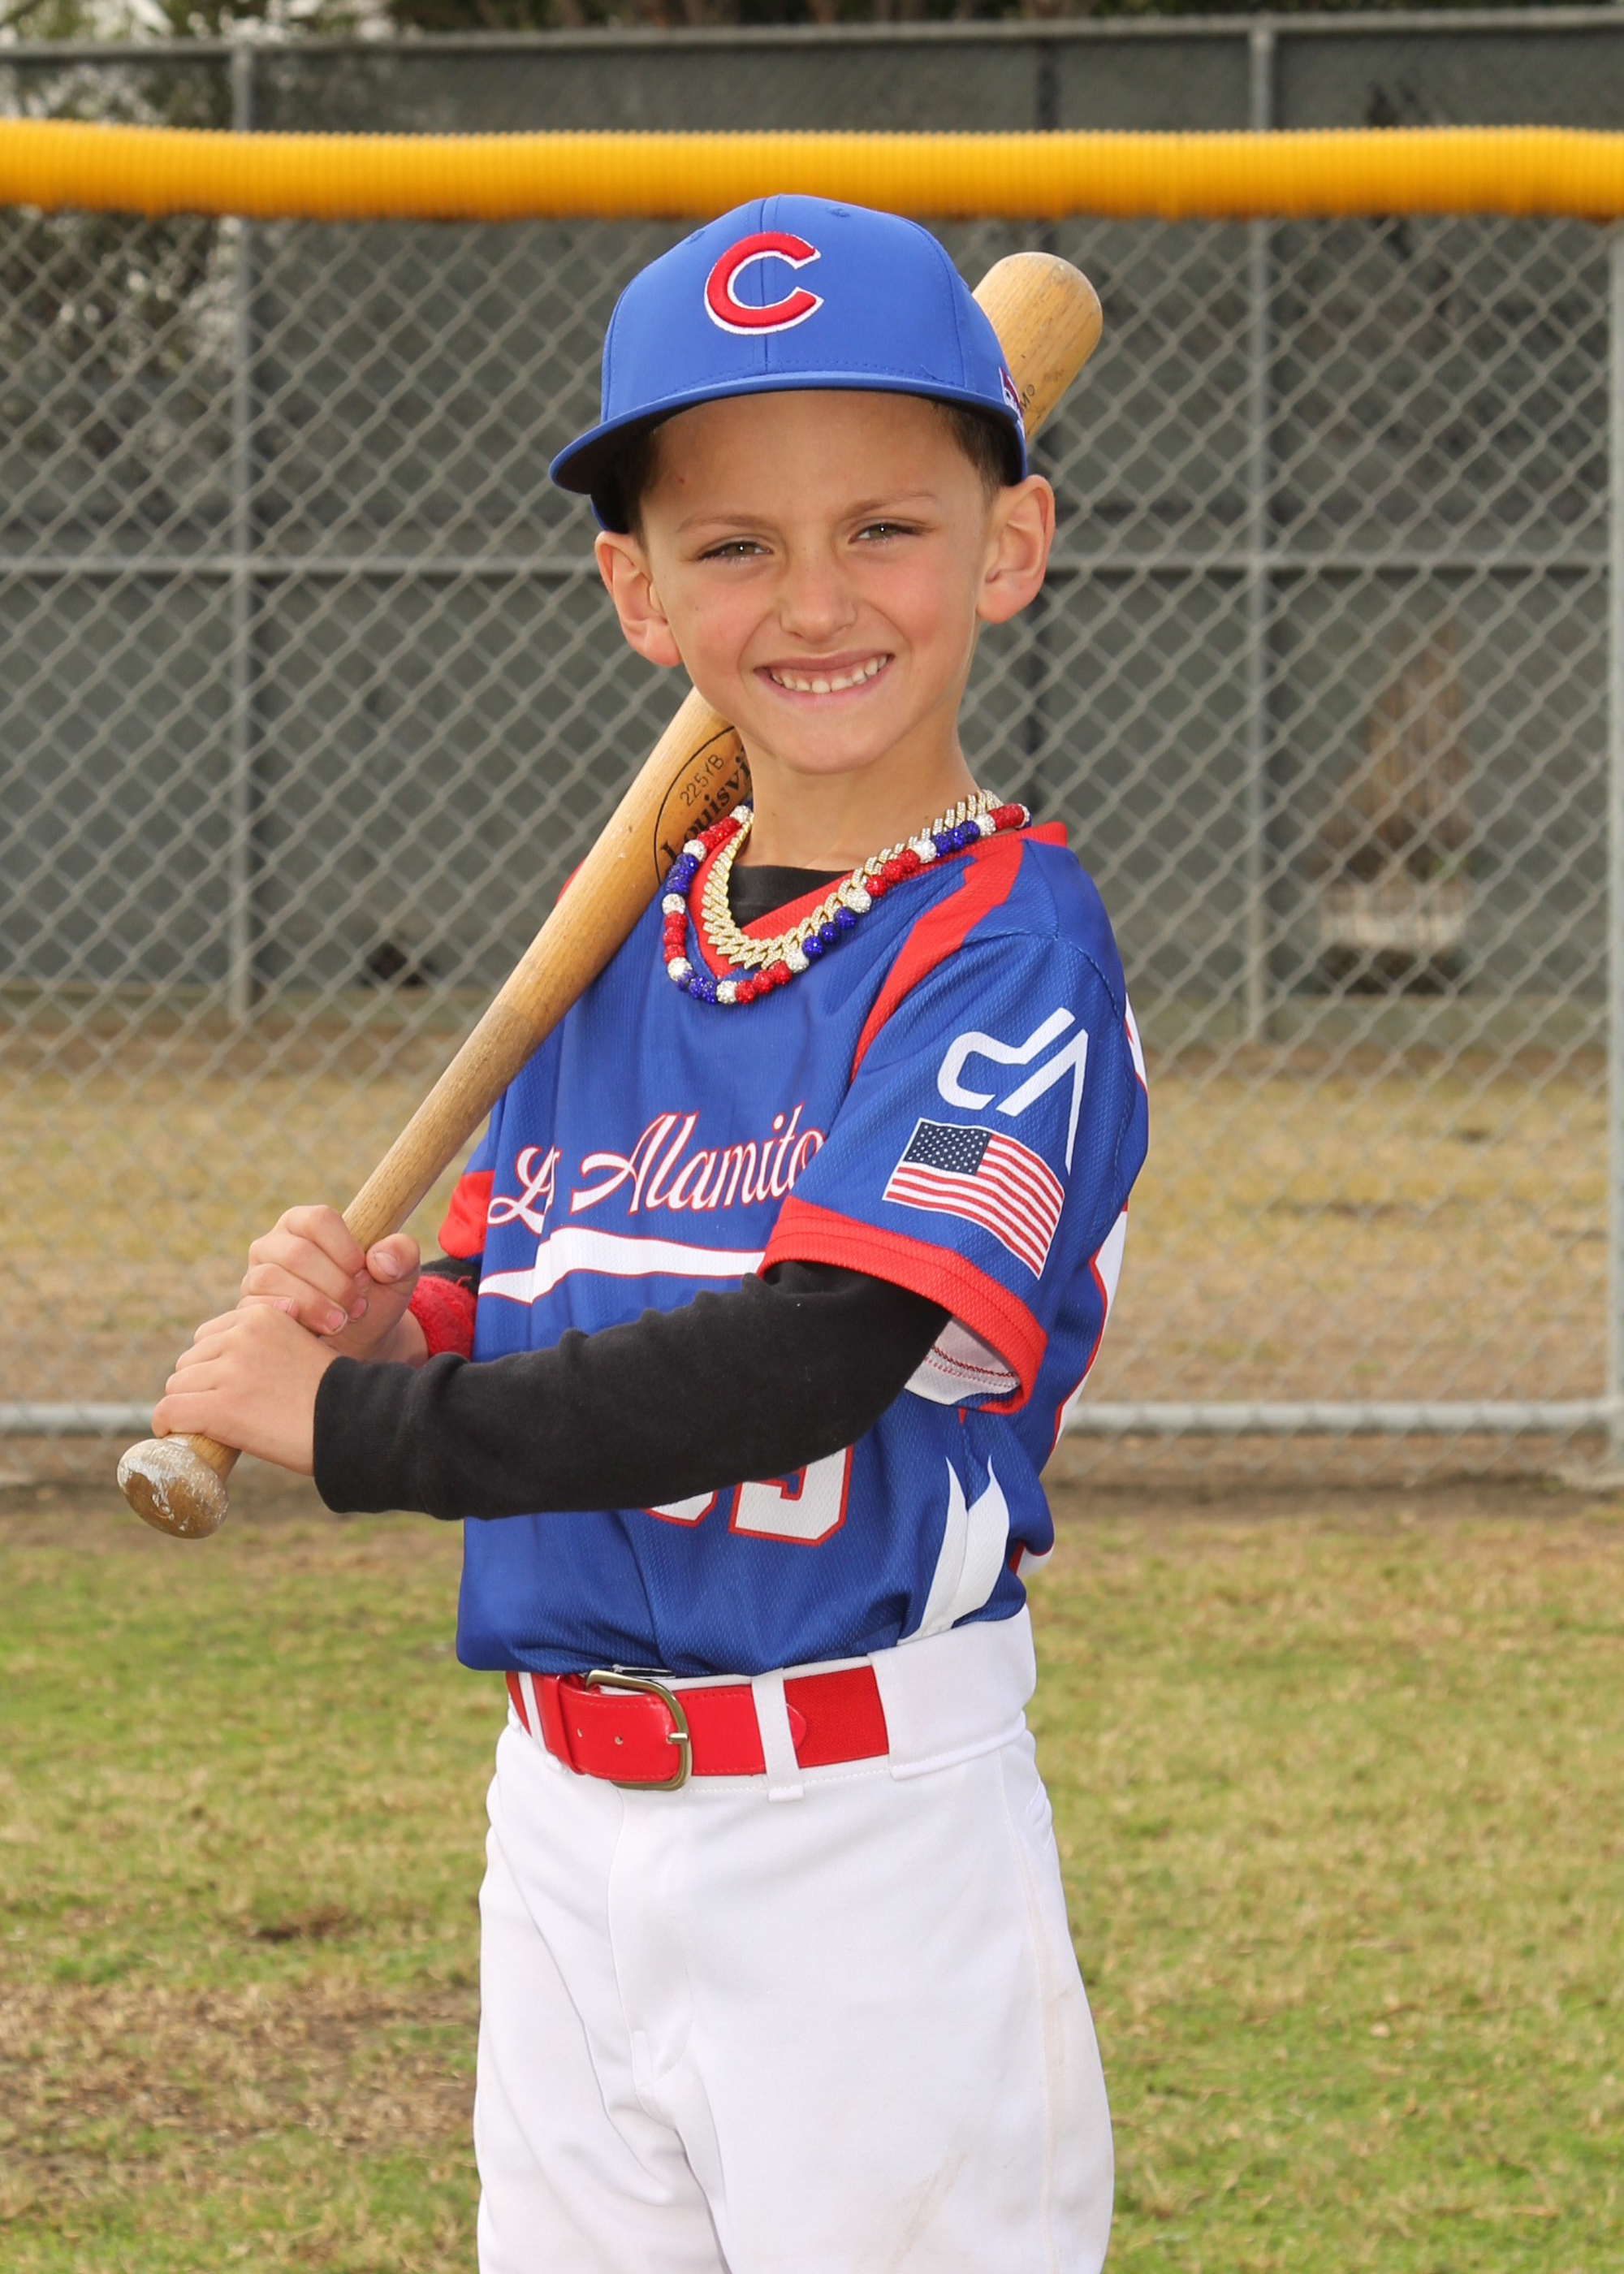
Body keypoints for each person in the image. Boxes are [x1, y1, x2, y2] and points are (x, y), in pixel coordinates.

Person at [153, 194, 1150, 2274]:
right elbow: (541, 1283)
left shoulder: (1005, 949)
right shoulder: (622, 940)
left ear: (1009, 549)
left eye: (884, 527)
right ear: (638, 591)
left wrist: (360, 1424)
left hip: (860, 1835)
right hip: (561, 1820)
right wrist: (403, 1318)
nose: (816, 598)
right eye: (735, 545)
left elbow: (810, 1350)